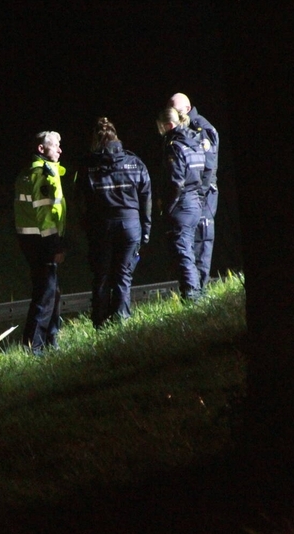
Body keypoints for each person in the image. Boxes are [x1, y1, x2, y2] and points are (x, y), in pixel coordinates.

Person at [78, 118, 152, 328]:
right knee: (123, 275)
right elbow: (146, 199)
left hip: (101, 226)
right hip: (131, 225)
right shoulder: (135, 162)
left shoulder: (88, 166)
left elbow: (80, 202)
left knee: (101, 275)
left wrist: (86, 227)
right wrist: (145, 230)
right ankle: (121, 321)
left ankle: (100, 323)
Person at [14, 131, 67, 355]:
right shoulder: (41, 175)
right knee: (46, 293)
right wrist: (55, 246)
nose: (60, 150)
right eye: (55, 145)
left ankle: (50, 341)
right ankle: (34, 348)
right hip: (42, 240)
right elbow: (45, 215)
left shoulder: (27, 173)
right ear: (41, 149)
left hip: (31, 239)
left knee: (50, 291)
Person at [169, 93, 220, 290]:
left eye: (178, 111)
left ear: (187, 110)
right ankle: (194, 289)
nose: (174, 115)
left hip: (203, 194)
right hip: (192, 194)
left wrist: (199, 194)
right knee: (187, 242)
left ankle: (201, 288)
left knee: (202, 238)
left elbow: (208, 167)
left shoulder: (201, 129)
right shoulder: (182, 128)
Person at [156, 106, 207, 301]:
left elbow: (175, 182)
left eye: (161, 127)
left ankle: (192, 297)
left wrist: (167, 207)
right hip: (195, 201)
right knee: (189, 250)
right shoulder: (194, 142)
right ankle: (197, 293)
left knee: (182, 252)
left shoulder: (174, 146)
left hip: (182, 205)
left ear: (168, 125)